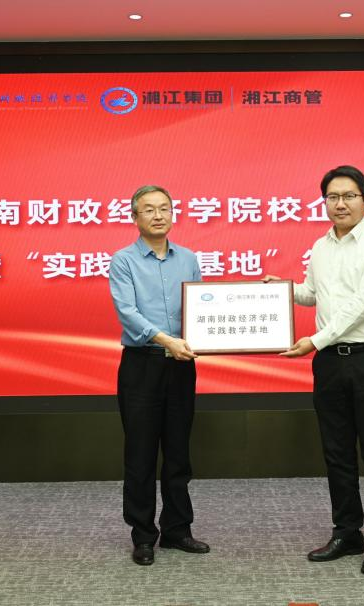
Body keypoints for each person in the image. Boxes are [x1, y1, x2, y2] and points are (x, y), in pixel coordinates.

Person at [268, 165, 364, 574]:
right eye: (332, 197)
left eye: (349, 196)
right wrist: (282, 291)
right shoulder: (320, 246)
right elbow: (314, 294)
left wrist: (316, 339)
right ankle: (347, 532)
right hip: (329, 362)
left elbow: (362, 304)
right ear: (324, 202)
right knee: (337, 452)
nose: (340, 203)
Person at [109, 184, 210, 566]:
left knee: (179, 452)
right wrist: (167, 340)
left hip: (181, 365)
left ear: (173, 214)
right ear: (135, 217)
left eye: (164, 208)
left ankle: (177, 529)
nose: (158, 215)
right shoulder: (123, 261)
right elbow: (128, 312)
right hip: (142, 365)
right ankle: (143, 535)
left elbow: (201, 309)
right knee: (141, 454)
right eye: (149, 209)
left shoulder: (189, 259)